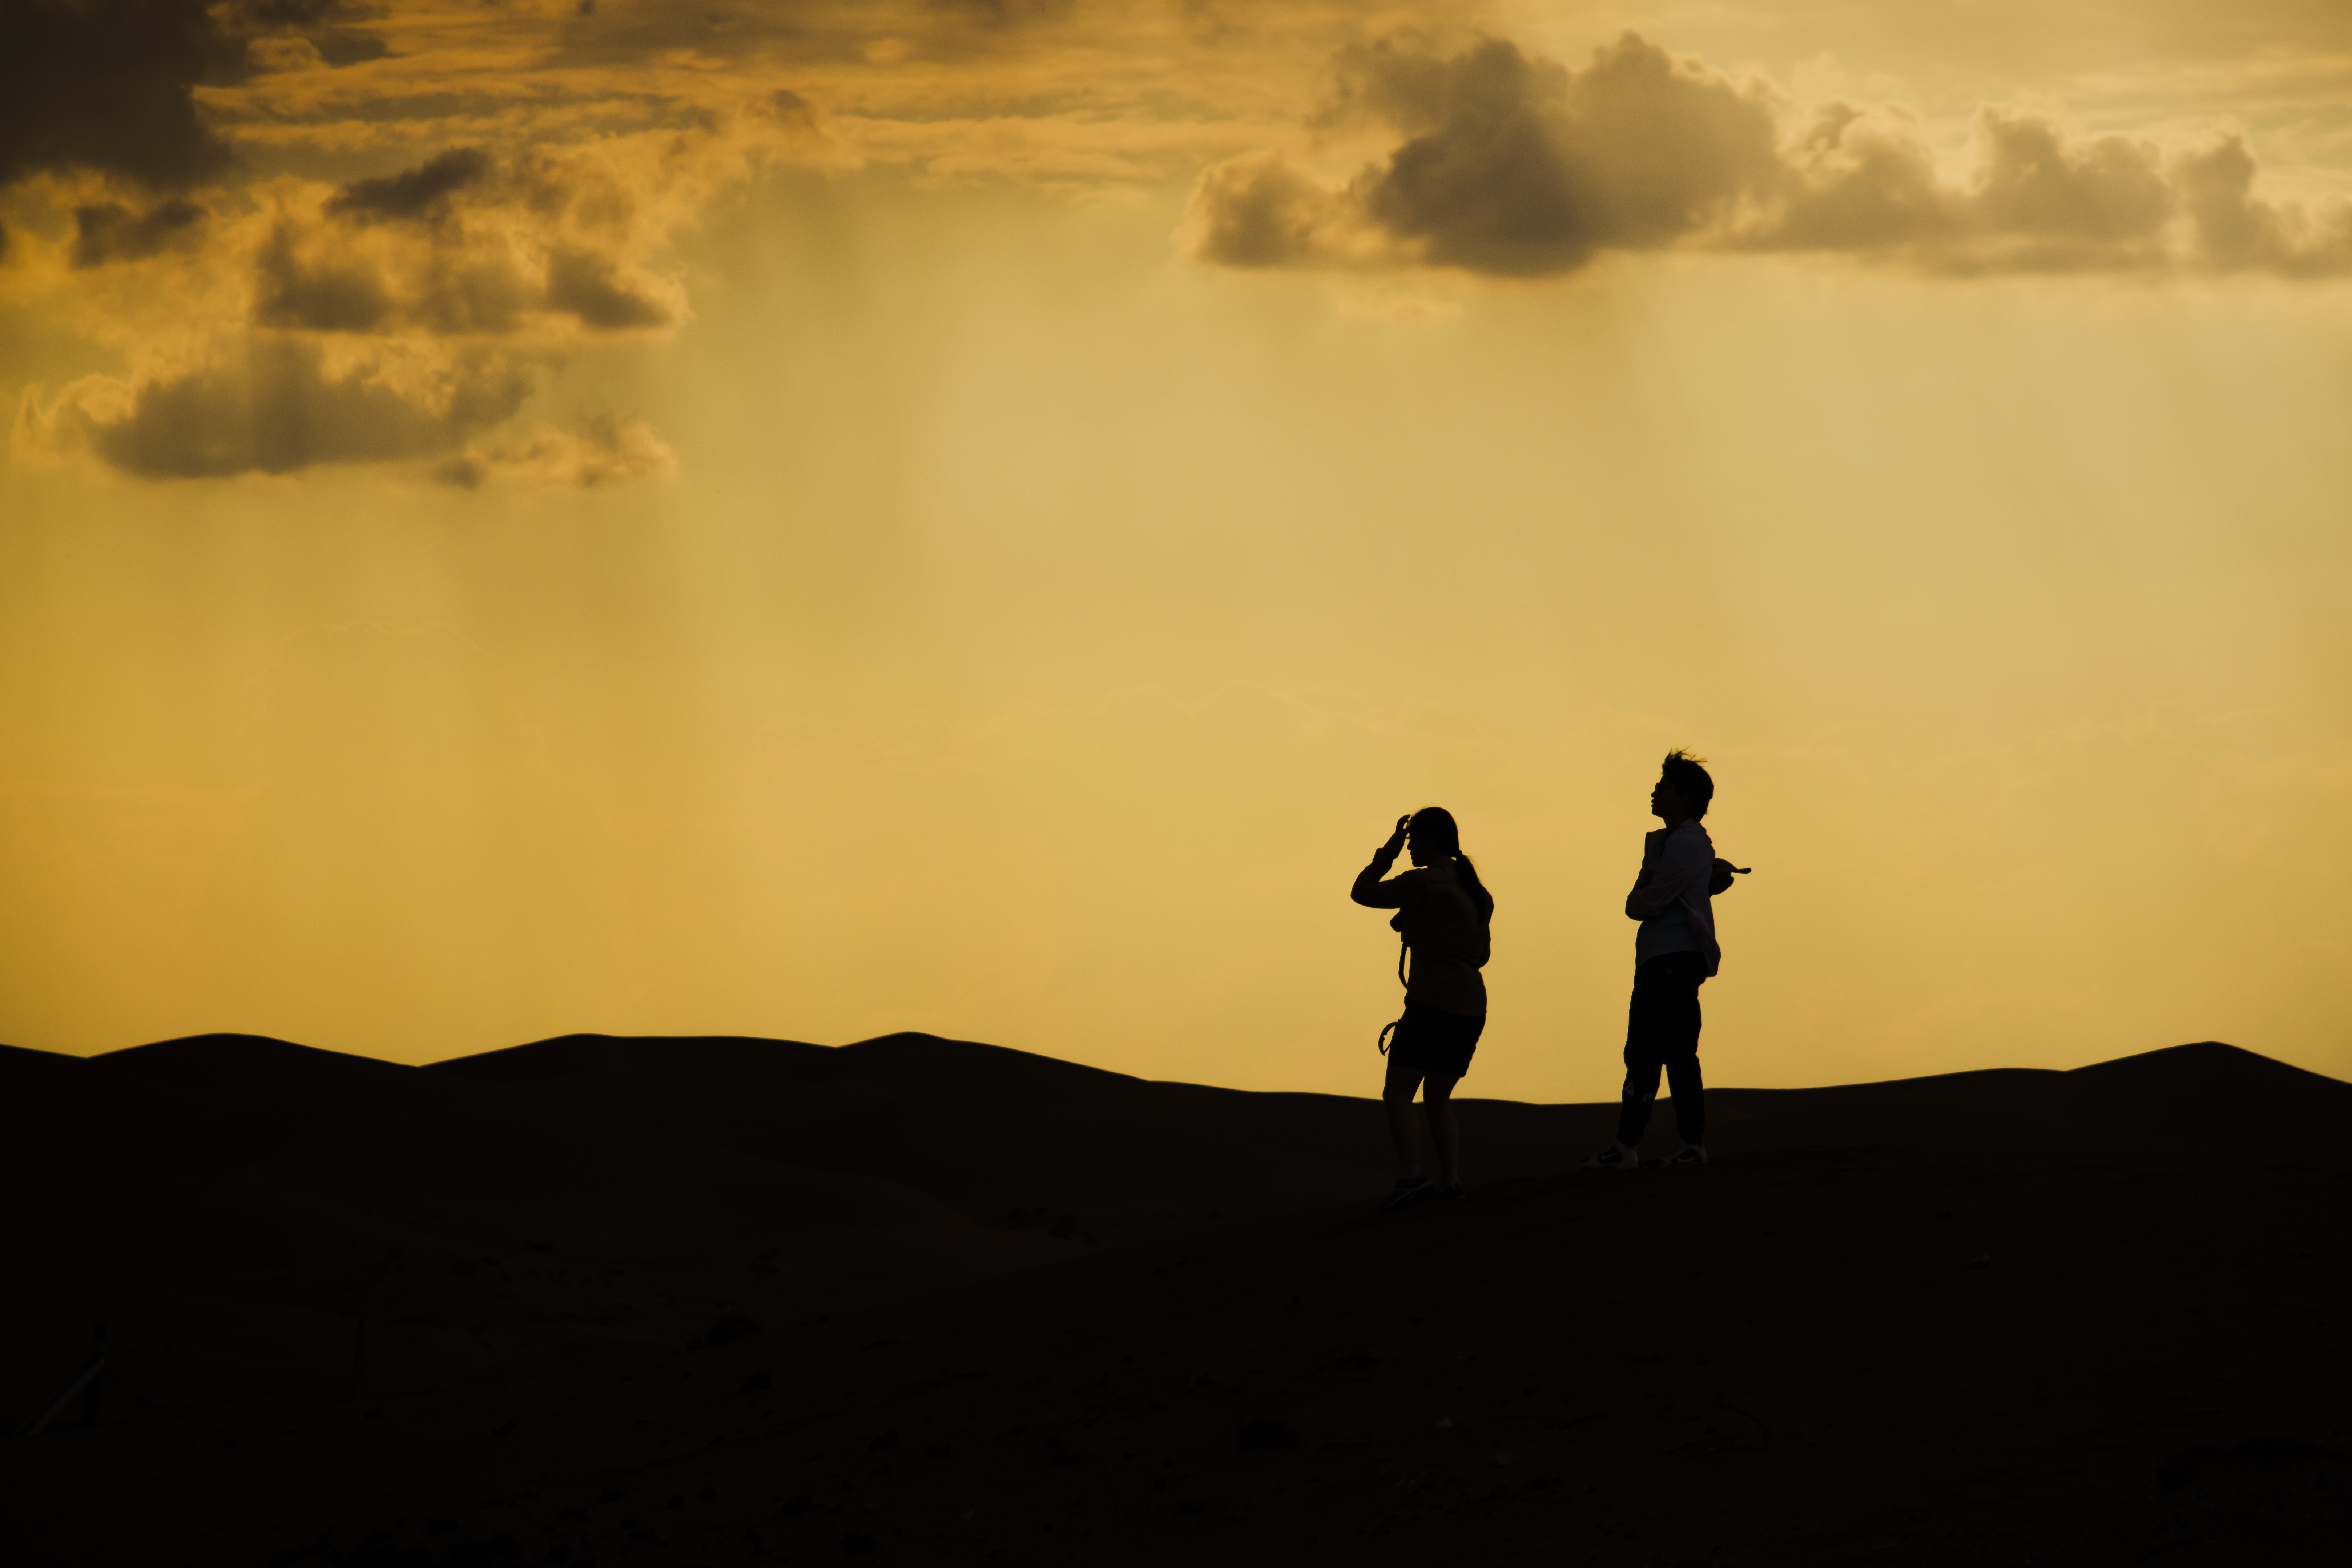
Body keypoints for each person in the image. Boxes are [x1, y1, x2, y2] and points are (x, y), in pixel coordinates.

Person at [1350, 806, 1494, 1213]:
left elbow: (1362, 892)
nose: (1411, 847)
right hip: (1470, 1007)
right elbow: (1481, 954)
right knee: (1437, 1095)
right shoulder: (1476, 891)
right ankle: (1450, 1180)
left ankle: (1412, 1177)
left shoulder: (1424, 882)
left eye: (1413, 841)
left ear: (1429, 842)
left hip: (1432, 1003)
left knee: (1397, 1092)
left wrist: (1387, 853)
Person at [1585, 751, 1720, 1171]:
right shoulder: (1670, 842)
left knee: (1672, 1051)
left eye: (1662, 787)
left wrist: (1644, 894)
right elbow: (1650, 897)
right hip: (1661, 957)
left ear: (1682, 797)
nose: (1654, 792)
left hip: (1673, 959)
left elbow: (1642, 902)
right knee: (1647, 1052)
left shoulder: (1684, 843)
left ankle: (1680, 1143)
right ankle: (1629, 1144)